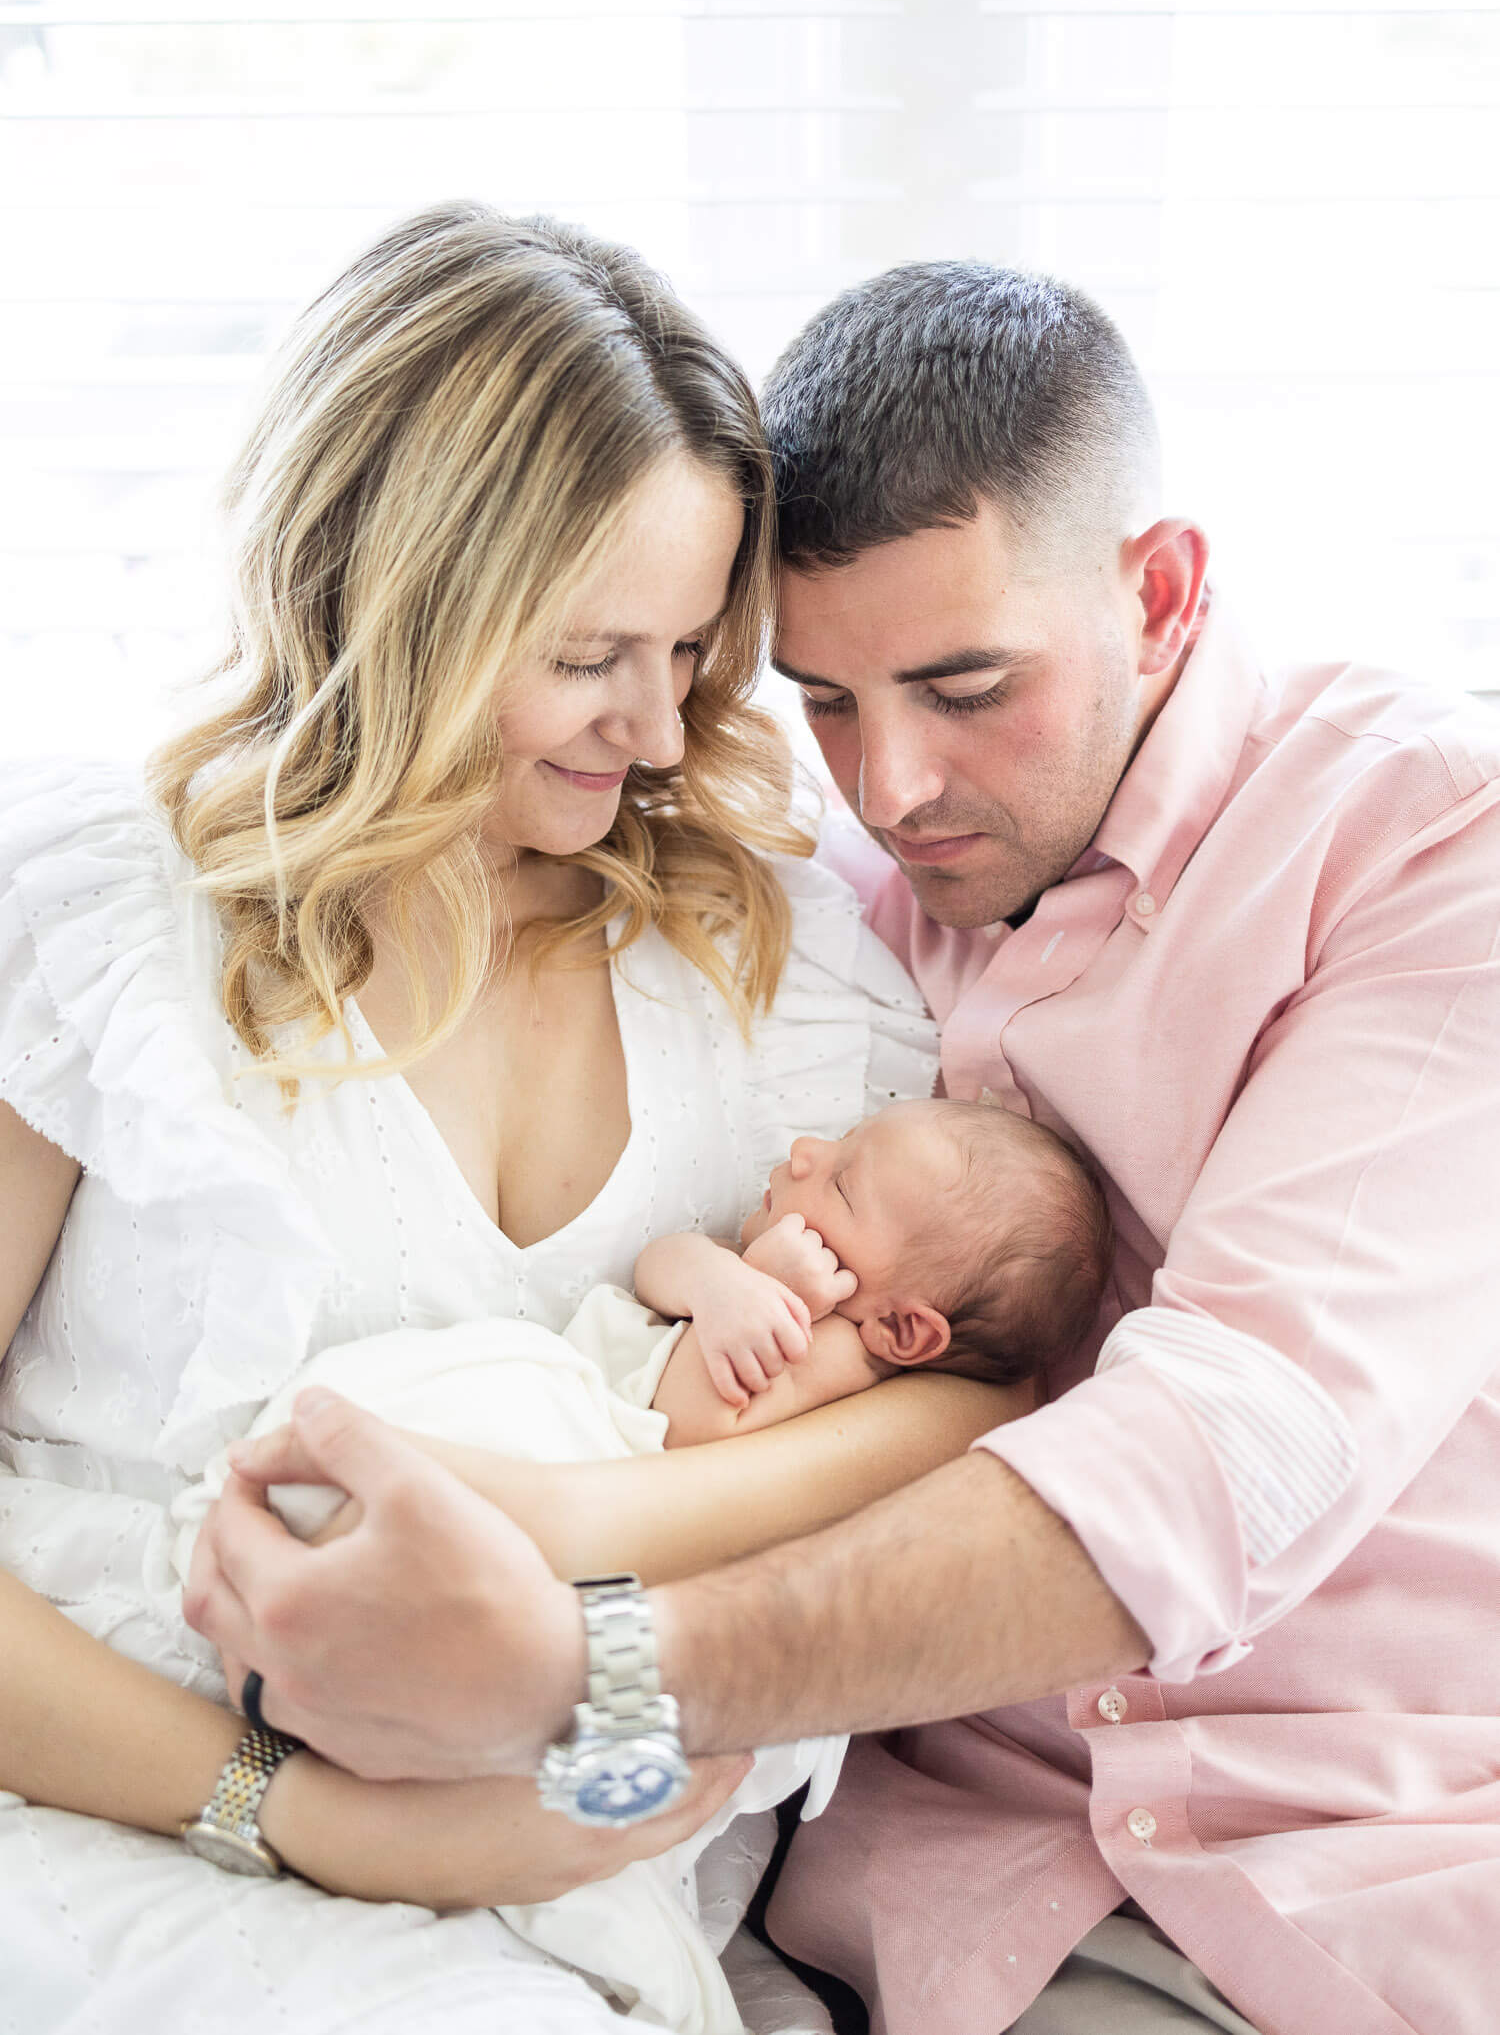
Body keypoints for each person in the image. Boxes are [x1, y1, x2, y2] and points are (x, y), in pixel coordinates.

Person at [193, 259, 1500, 2035]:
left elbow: (1236, 1443)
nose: (888, 785)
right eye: (823, 700)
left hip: (1343, 1855)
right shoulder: (829, 908)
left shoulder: (1423, 842)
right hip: (899, 1892)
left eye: (968, 686)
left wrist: (594, 1674)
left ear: (1162, 592)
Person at [0, 207, 1034, 2035]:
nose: (652, 729)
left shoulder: (771, 961)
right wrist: (302, 1818)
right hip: (120, 1787)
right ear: (395, 594)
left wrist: (568, 1531)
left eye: (695, 653)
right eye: (587, 653)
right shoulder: (106, 919)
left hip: (579, 1811)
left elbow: (965, 1393)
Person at [165, 1097, 1110, 2034]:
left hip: (623, 1512)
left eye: (846, 1182)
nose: (809, 1150)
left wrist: (751, 1316)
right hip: (585, 1466)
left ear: (905, 1332)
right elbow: (660, 1267)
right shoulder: (779, 1286)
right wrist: (725, 1284)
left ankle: (369, 1738)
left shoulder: (842, 1366)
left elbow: (693, 1427)